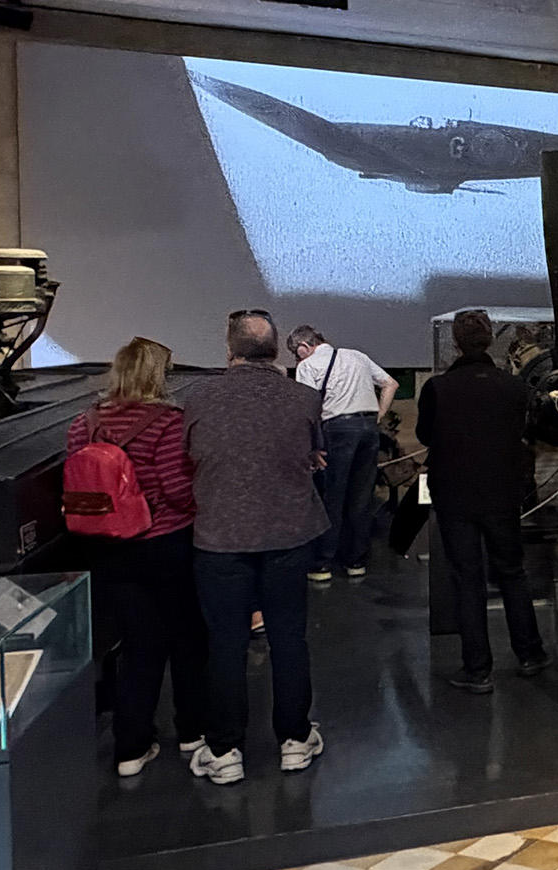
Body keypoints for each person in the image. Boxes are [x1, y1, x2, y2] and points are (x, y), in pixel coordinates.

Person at [175, 309, 327, 781]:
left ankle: (225, 751)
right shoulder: (304, 398)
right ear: (277, 349)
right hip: (287, 536)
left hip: (219, 538)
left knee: (225, 644)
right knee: (289, 638)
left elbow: (189, 457)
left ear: (229, 351)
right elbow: (312, 453)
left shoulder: (197, 398)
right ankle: (295, 740)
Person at [65, 336, 213, 778]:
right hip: (165, 544)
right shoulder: (168, 423)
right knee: (187, 640)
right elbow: (178, 491)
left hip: (108, 549)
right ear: (158, 375)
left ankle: (131, 747)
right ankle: (192, 732)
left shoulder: (84, 423)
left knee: (137, 647)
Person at [413, 309, 546, 694]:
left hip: (455, 496)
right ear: (490, 340)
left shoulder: (438, 388)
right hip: (503, 494)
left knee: (467, 580)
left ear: (455, 342)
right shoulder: (514, 387)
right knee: (512, 573)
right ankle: (531, 654)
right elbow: (526, 431)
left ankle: (478, 669)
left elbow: (424, 435)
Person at [289, 324, 394, 584]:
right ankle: (356, 561)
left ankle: (323, 563)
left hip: (336, 430)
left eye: (295, 354)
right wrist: (378, 415)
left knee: (331, 498)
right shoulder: (357, 356)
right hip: (368, 427)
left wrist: (311, 446)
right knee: (361, 497)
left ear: (303, 347)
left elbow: (306, 408)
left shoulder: (307, 366)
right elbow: (390, 384)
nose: (297, 360)